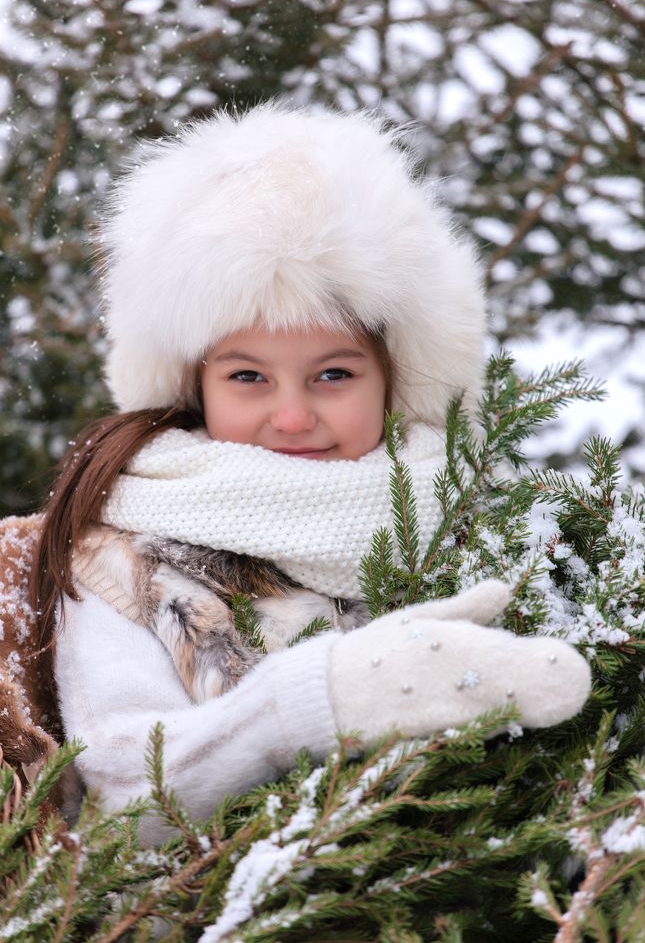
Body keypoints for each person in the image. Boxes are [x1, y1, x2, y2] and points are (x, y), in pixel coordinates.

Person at [8, 105, 591, 845]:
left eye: (333, 374)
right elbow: (129, 796)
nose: (291, 416)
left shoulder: (485, 522)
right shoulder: (121, 561)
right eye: (250, 375)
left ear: (396, 378)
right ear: (194, 384)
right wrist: (313, 701)